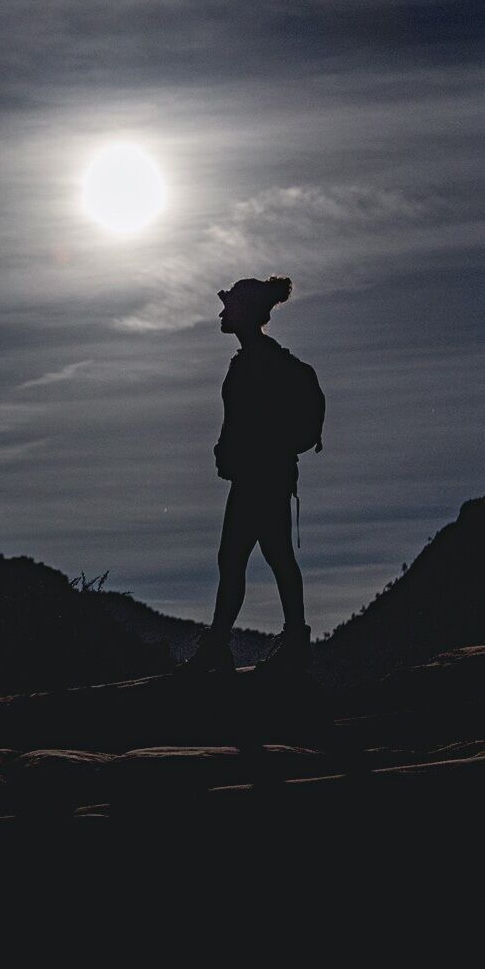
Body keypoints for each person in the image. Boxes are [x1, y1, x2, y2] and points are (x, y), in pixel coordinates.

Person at [186, 276, 324, 675]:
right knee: (257, 557)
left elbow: (254, 420)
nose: (221, 313)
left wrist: (236, 451)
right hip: (262, 476)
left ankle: (225, 647)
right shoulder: (254, 359)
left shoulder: (261, 360)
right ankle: (275, 643)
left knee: (249, 558)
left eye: (228, 307)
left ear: (245, 313)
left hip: (262, 477)